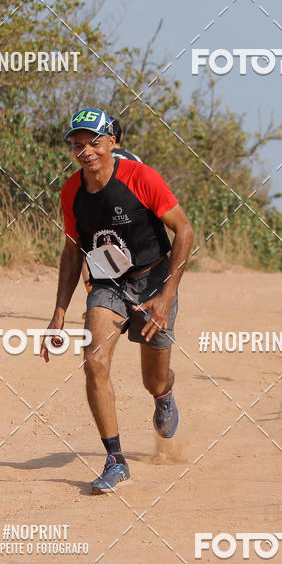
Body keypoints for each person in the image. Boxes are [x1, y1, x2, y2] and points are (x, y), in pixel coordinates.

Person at [42, 107, 193, 494]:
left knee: (153, 378)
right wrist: (58, 313)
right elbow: (73, 251)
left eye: (94, 141)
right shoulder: (71, 190)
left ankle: (164, 395)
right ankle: (115, 460)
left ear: (113, 142)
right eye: (78, 144)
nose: (86, 150)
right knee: (94, 360)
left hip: (154, 280)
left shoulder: (141, 178)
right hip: (108, 284)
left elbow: (184, 231)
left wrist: (166, 294)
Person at [80, 116, 141, 298]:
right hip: (131, 213)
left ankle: (95, 293)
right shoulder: (134, 158)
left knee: (87, 251)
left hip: (98, 210)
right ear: (120, 137)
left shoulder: (95, 156)